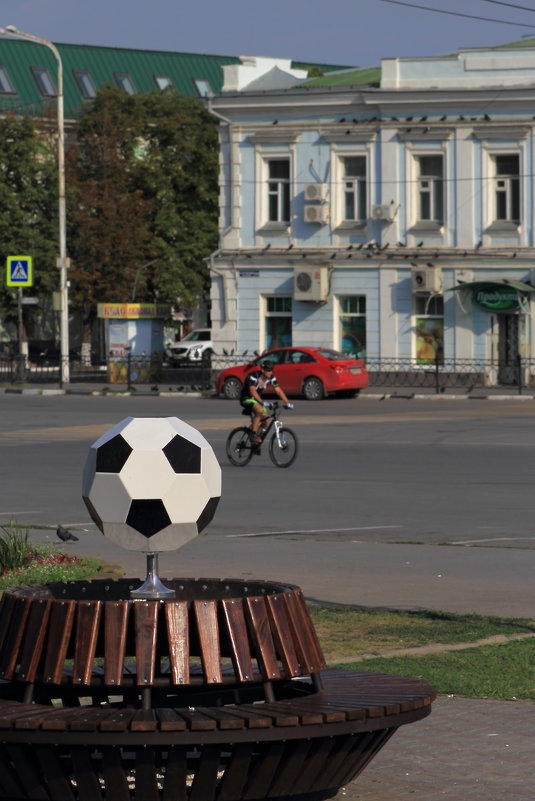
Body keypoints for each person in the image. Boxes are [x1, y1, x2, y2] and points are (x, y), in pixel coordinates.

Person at [240, 359, 293, 444]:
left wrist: (287, 403)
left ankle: (254, 438)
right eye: (268, 370)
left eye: (271, 370)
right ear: (262, 370)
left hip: (257, 400)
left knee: (265, 422)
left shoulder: (271, 378)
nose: (270, 372)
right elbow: (252, 390)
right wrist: (262, 402)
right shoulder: (254, 376)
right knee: (259, 410)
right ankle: (253, 435)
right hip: (247, 399)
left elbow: (278, 390)